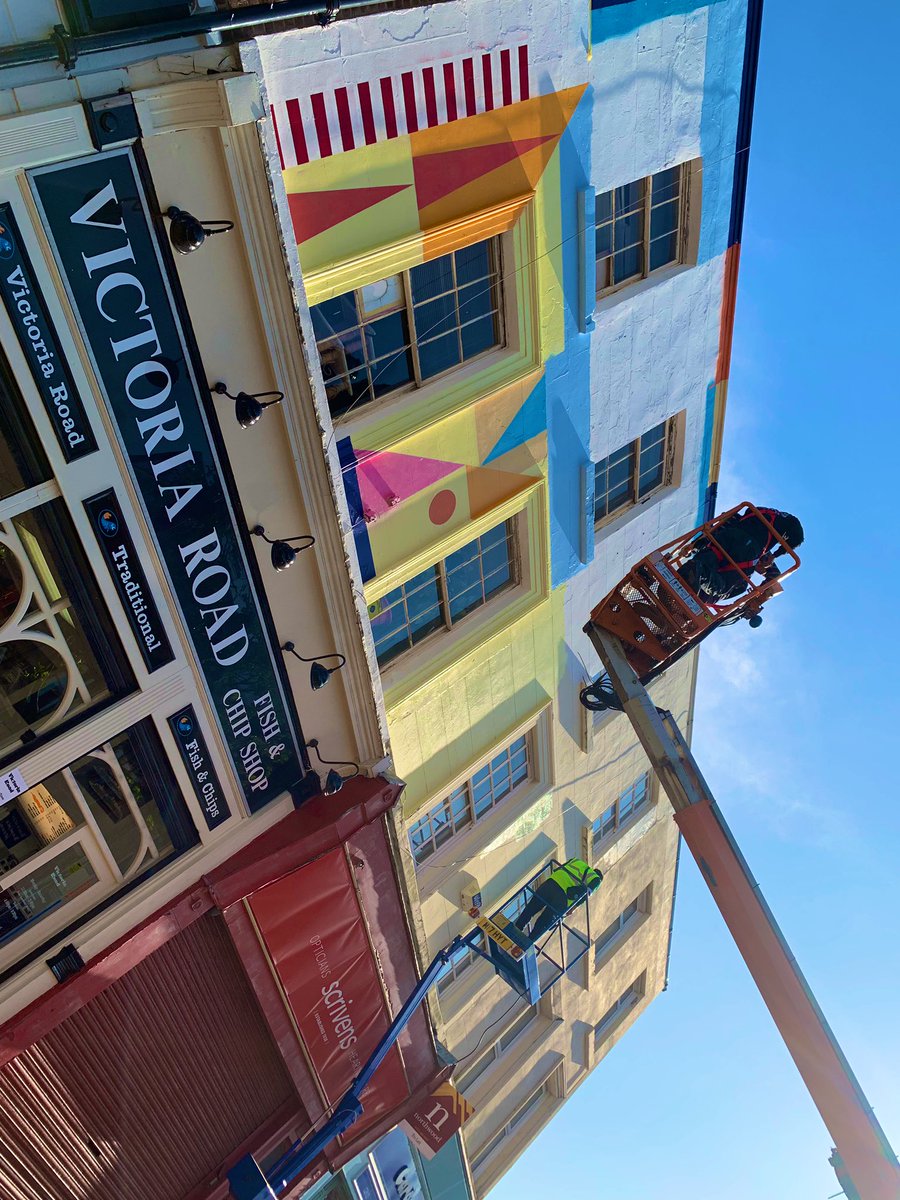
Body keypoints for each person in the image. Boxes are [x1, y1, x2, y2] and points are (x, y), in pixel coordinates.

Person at [678, 507, 803, 604]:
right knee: (728, 586)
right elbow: (797, 539)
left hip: (727, 536)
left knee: (707, 558)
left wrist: (695, 546)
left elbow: (724, 523)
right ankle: (698, 587)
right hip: (747, 548)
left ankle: (684, 576)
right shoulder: (766, 549)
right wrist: (776, 555)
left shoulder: (757, 511)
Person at [514, 858, 602, 941]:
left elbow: (559, 868)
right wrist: (573, 908)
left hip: (550, 884)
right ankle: (527, 944)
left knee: (531, 908)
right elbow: (585, 895)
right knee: (543, 923)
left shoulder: (576, 861)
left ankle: (515, 930)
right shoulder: (596, 879)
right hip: (563, 897)